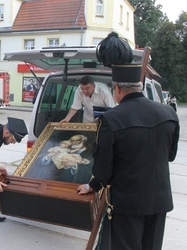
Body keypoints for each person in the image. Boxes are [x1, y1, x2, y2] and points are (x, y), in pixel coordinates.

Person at [77, 64, 179, 249]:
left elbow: (103, 169)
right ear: (139, 86)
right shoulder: (169, 113)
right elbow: (170, 155)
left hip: (127, 203)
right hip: (159, 200)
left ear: (117, 89)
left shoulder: (111, 119)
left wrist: (92, 186)